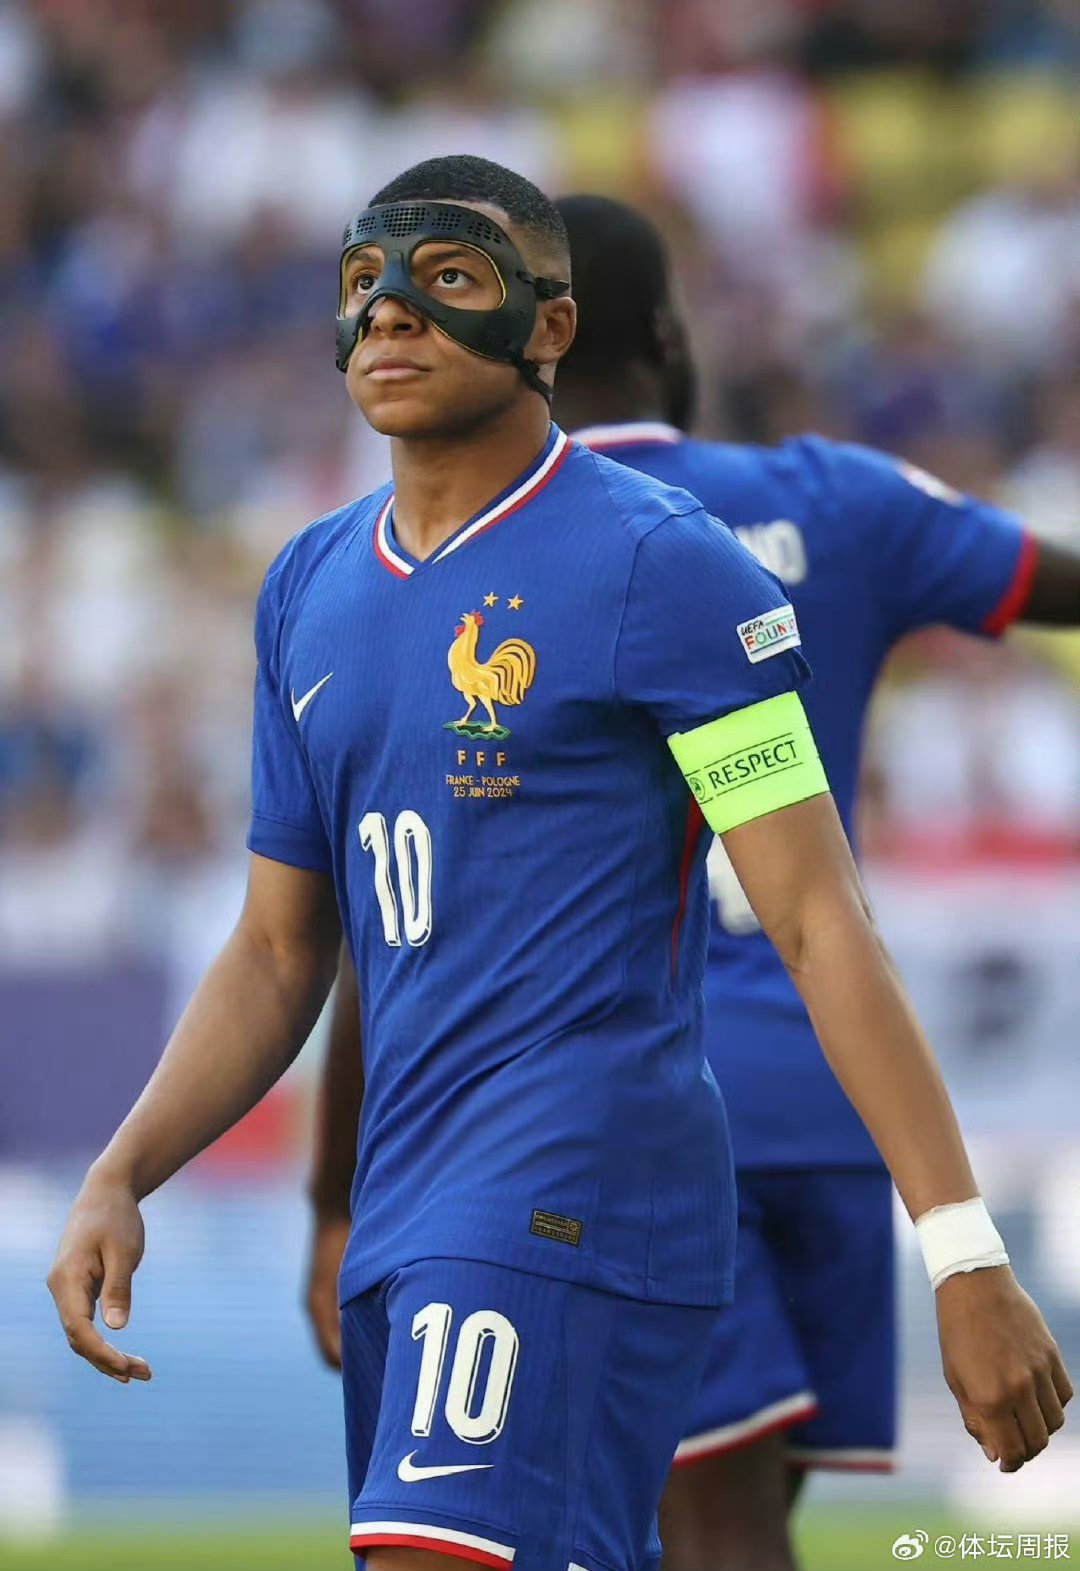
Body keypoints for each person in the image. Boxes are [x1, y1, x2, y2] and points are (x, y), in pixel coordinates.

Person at [50, 160, 1071, 1571]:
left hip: (577, 1184)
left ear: (551, 326)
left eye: (444, 280)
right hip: (412, 1200)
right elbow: (283, 950)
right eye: (363, 284)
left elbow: (819, 922)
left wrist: (962, 1253)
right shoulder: (307, 586)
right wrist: (125, 1170)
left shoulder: (666, 565)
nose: (390, 312)